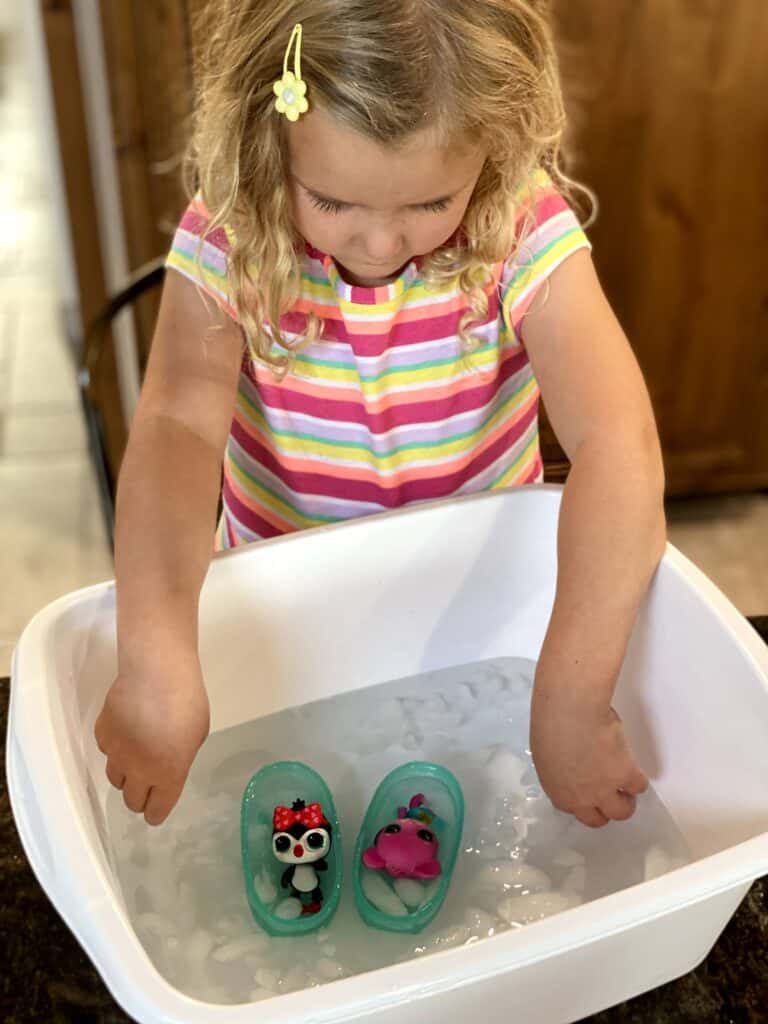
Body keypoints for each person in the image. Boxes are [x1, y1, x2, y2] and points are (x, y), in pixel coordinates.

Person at [95, 0, 666, 830]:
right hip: (291, 612)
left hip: (481, 602)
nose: (378, 244)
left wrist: (573, 700)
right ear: (267, 144)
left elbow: (619, 444)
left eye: (431, 204)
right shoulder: (233, 234)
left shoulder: (519, 226)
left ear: (496, 147)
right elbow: (177, 428)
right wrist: (153, 662)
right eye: (331, 202)